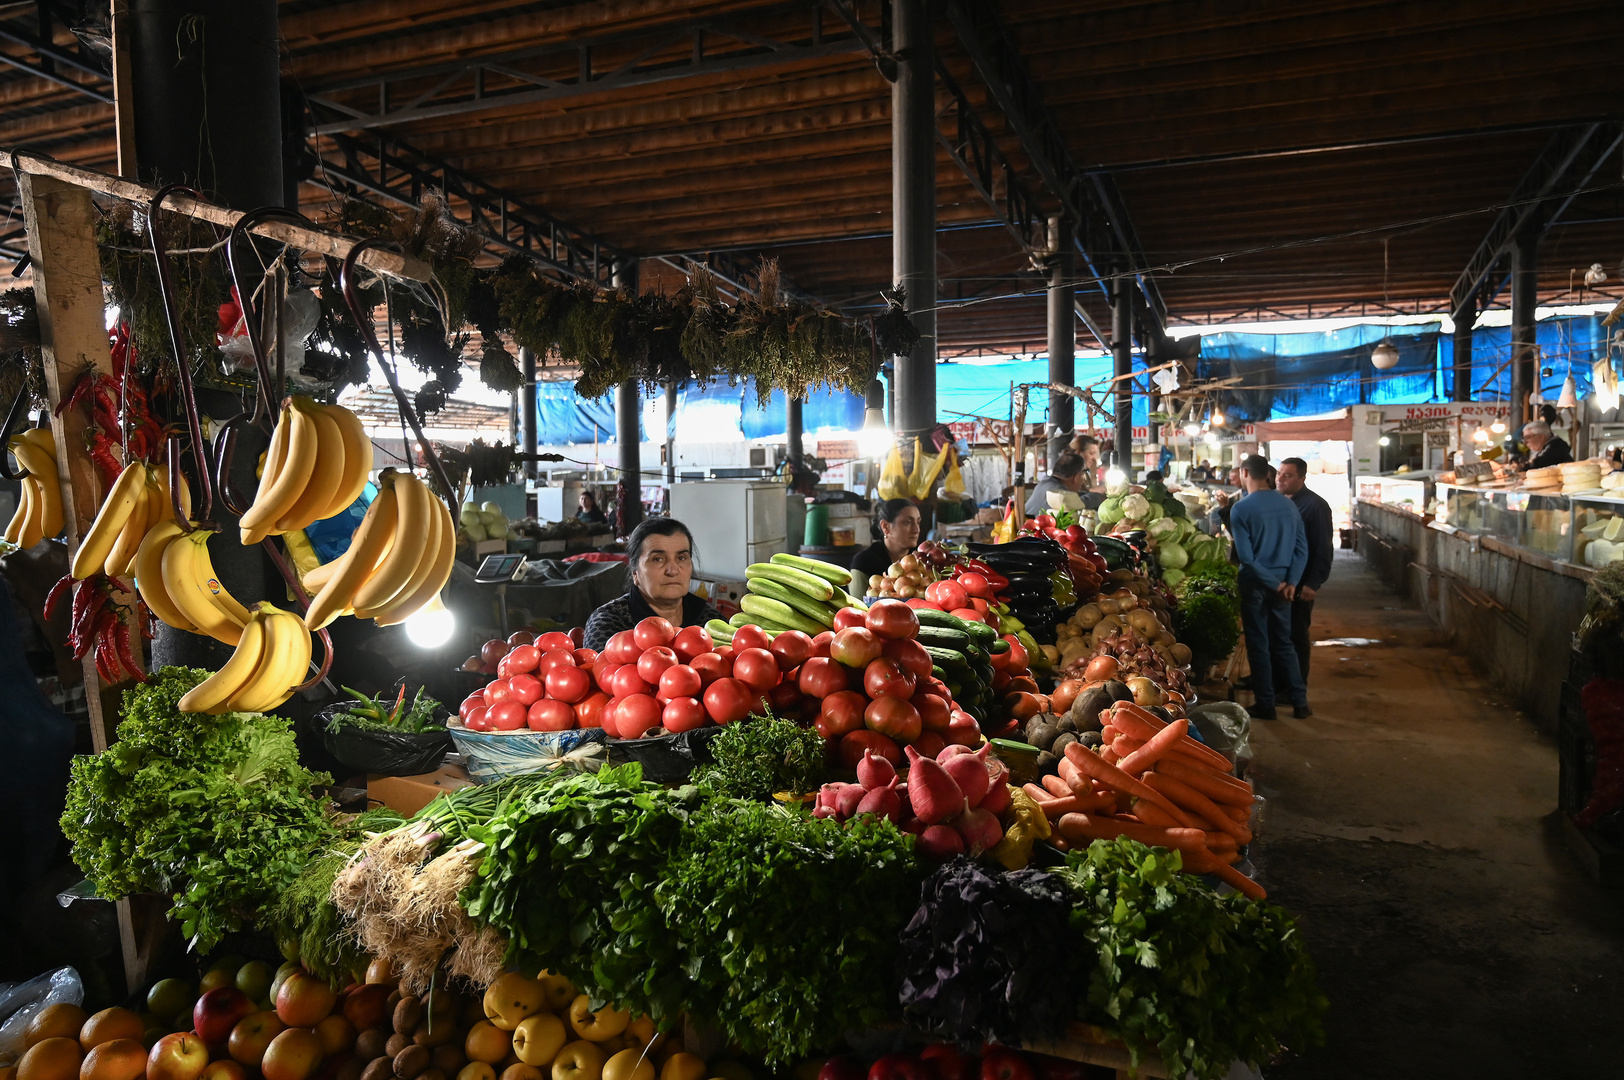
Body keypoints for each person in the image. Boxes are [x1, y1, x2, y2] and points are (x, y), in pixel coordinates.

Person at [1228, 455, 1310, 720]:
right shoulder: (1289, 506)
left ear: (1245, 472)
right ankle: (1300, 703)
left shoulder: (1241, 509)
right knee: (1284, 643)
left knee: (1259, 644)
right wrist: (1291, 583)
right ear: (1268, 475)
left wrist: (1274, 584)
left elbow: (1247, 558)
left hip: (1256, 584)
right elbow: (1301, 549)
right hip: (1285, 585)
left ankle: (1266, 704)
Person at [583, 518, 722, 650]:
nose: (673, 570)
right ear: (635, 572)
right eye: (658, 559)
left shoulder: (711, 620)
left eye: (681, 558)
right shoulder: (609, 623)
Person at [1275, 457, 1333, 687]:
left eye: (1287, 475)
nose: (1280, 478)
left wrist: (1313, 583)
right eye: (1279, 473)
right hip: (1282, 582)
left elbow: (1323, 546)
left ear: (1302, 478)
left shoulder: (1315, 505)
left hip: (1301, 584)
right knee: (1279, 636)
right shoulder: (1280, 502)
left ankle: (1295, 686)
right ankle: (1278, 682)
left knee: (1296, 636)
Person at [851, 498, 921, 580]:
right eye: (907, 522)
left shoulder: (921, 559)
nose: (916, 530)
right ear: (885, 527)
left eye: (918, 522)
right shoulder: (864, 562)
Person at [1024, 450, 1088, 517]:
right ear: (1077, 477)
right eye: (1083, 474)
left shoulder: (1044, 484)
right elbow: (1082, 502)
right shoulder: (1061, 495)